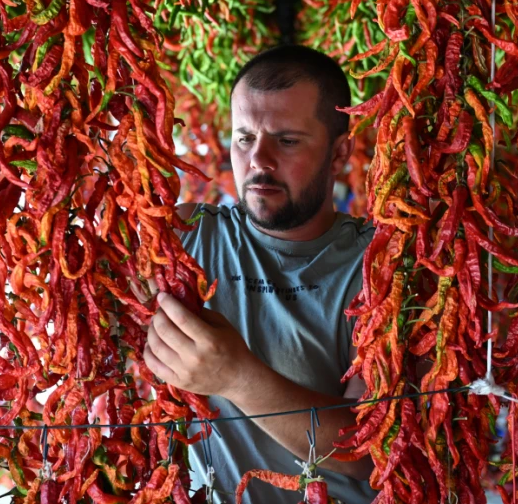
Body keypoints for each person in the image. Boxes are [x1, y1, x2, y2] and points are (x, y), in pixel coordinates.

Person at [143, 45, 377, 504]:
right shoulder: (185, 239)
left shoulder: (378, 265)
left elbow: (369, 448)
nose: (258, 160)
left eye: (287, 141)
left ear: (339, 152)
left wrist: (235, 378)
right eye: (245, 137)